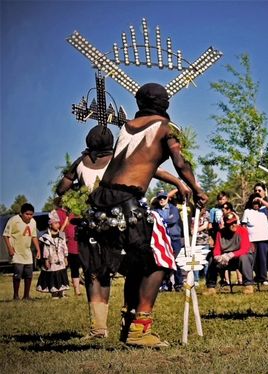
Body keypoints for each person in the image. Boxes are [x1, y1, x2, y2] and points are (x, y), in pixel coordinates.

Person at [86, 83, 208, 347]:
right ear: (165, 103)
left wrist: (177, 182)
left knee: (138, 263)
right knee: (160, 260)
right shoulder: (167, 128)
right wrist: (196, 187)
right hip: (127, 203)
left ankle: (128, 322)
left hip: (101, 203)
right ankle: (140, 329)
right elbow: (180, 161)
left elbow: (140, 164)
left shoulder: (127, 127)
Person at [56, 122, 190, 342]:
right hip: (125, 222)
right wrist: (179, 182)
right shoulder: (122, 159)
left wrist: (77, 194)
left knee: (96, 273)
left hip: (94, 222)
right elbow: (153, 170)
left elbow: (62, 188)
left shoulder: (80, 162)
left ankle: (99, 327)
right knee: (138, 269)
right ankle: (129, 321)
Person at [203, 212, 254, 295]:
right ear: (226, 224)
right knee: (212, 259)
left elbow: (245, 249)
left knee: (244, 257)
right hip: (225, 260)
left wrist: (231, 255)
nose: (233, 225)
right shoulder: (220, 233)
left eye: (234, 222)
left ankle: (248, 285)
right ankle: (211, 287)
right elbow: (217, 249)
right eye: (230, 223)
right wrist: (218, 257)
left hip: (240, 258)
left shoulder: (242, 231)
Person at [2, 203, 41, 300]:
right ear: (21, 213)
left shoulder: (33, 222)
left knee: (29, 274)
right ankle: (16, 296)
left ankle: (26, 296)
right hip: (16, 252)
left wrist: (38, 250)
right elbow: (5, 235)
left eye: (31, 214)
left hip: (27, 252)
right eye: (27, 214)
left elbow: (34, 236)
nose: (29, 216)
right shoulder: (14, 220)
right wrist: (10, 248)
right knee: (17, 274)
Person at [153, 190, 184, 292]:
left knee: (176, 261)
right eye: (160, 198)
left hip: (174, 238)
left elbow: (173, 219)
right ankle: (165, 283)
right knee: (163, 262)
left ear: (167, 198)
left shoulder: (173, 208)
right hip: (162, 240)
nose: (162, 200)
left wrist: (161, 221)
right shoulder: (155, 210)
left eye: (164, 198)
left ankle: (179, 284)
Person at [36, 210, 70, 298]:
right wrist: (46, 260)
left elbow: (64, 246)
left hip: (61, 258)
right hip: (51, 259)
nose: (58, 225)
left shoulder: (61, 234)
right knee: (52, 275)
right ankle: (54, 293)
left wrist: (66, 258)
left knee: (61, 273)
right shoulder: (46, 237)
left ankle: (61, 292)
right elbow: (45, 249)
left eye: (58, 223)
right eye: (55, 223)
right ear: (50, 224)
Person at [242, 193, 268, 285]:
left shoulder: (264, 210)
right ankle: (254, 277)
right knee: (254, 261)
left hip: (264, 238)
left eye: (257, 202)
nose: (256, 204)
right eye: (254, 202)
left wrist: (261, 199)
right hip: (252, 239)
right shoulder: (247, 211)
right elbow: (244, 225)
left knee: (263, 259)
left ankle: (263, 278)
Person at [54, 197, 82, 296]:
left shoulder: (76, 213)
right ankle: (62, 291)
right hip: (64, 246)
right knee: (62, 268)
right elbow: (58, 231)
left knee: (75, 268)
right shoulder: (57, 213)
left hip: (76, 246)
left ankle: (77, 291)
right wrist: (62, 242)